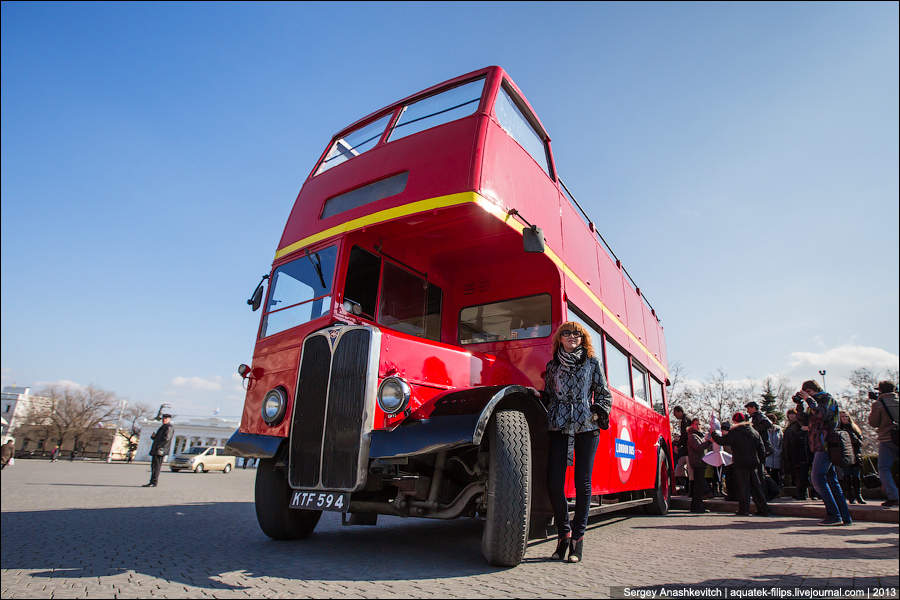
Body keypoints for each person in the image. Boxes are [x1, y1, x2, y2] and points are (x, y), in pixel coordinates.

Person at [539, 321, 611, 563]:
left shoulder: (591, 363)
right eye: (567, 333)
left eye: (577, 334)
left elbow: (603, 392)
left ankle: (578, 540)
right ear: (560, 338)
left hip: (586, 428)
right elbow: (548, 394)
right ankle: (564, 535)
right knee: (554, 482)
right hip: (558, 426)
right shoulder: (552, 366)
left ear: (583, 339)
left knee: (583, 483)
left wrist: (596, 412)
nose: (572, 336)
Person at [797, 379, 852, 526]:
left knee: (817, 478)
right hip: (818, 444)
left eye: (806, 393)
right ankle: (844, 516)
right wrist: (799, 405)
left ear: (810, 391)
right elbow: (804, 421)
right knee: (832, 481)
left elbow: (822, 414)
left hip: (827, 443)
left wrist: (809, 400)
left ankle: (834, 514)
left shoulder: (827, 399)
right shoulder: (812, 403)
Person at [709, 412, 770, 516]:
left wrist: (713, 433)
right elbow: (761, 448)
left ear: (735, 421)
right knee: (756, 486)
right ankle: (763, 508)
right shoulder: (754, 431)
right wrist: (760, 461)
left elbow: (723, 441)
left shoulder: (735, 431)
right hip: (754, 462)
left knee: (743, 486)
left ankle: (744, 509)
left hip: (740, 462)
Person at [868, 380, 899, 508]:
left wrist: (874, 405)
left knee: (884, 468)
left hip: (887, 439)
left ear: (880, 390)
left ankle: (893, 497)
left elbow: (873, 422)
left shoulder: (878, 404)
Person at [782, 408, 812, 500]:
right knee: (796, 475)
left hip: (800, 453)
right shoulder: (789, 426)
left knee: (802, 475)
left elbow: (802, 438)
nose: (791, 416)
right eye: (789, 414)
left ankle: (803, 494)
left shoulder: (800, 425)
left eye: (793, 414)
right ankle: (800, 492)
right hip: (792, 453)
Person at [838, 411, 865, 504]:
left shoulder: (854, 428)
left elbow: (860, 443)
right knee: (847, 476)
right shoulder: (838, 429)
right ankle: (850, 496)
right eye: (842, 417)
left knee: (856, 477)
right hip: (845, 456)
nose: (844, 418)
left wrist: (852, 434)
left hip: (856, 455)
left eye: (846, 416)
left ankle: (859, 495)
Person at [687, 418, 712, 513]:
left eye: (699, 424)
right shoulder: (692, 436)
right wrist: (709, 442)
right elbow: (698, 448)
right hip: (698, 463)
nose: (698, 426)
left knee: (698, 486)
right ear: (692, 425)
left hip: (700, 462)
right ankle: (697, 506)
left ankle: (696, 506)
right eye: (696, 424)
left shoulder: (698, 436)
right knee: (698, 486)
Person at [143, 414, 174, 487]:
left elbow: (166, 439)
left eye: (166, 418)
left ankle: (154, 482)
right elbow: (161, 438)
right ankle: (152, 481)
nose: (164, 419)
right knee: (153, 466)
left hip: (160, 450)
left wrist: (159, 446)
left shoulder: (169, 427)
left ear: (169, 419)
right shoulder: (163, 427)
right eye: (163, 418)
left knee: (156, 467)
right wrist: (154, 437)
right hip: (157, 449)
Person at [764, 412, 784, 486]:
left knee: (776, 475)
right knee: (767, 475)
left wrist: (779, 451)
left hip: (777, 456)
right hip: (767, 456)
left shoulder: (779, 430)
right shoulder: (764, 430)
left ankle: (778, 490)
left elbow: (782, 442)